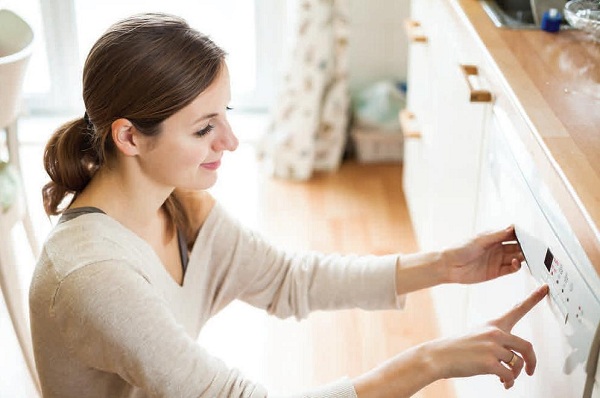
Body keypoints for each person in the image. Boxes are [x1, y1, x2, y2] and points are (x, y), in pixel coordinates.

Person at [29, 12, 549, 398]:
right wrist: (432, 359)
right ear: (130, 138)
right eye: (204, 128)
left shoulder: (176, 206)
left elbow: (288, 279)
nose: (230, 141)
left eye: (224, 115)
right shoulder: (93, 275)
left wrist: (442, 266)